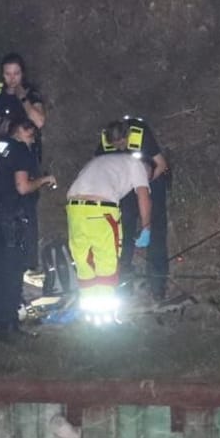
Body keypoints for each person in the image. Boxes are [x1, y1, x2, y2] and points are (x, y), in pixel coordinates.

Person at [0, 119, 56, 343]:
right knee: (12, 270)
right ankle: (10, 326)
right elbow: (22, 187)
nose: (33, 139)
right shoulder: (20, 149)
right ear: (21, 130)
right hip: (9, 214)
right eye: (32, 134)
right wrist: (43, 180)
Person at [69, 119, 153, 321]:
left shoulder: (99, 161)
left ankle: (89, 314)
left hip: (74, 209)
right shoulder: (136, 164)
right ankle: (106, 317)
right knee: (106, 263)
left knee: (85, 262)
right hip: (101, 210)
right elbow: (143, 197)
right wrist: (146, 227)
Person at [96, 115, 171, 301]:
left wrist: (142, 184)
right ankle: (123, 285)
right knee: (123, 235)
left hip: (152, 181)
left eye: (122, 142)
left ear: (127, 134)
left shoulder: (141, 134)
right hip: (125, 189)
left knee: (156, 234)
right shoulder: (105, 143)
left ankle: (157, 286)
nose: (120, 147)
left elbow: (162, 165)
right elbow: (100, 170)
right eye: (116, 144)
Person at [0, 54, 47, 271]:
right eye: (8, 74)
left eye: (16, 73)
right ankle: (6, 264)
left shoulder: (30, 92)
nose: (12, 79)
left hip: (24, 160)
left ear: (23, 73)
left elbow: (39, 121)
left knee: (26, 209)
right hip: (0, 162)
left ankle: (29, 267)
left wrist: (22, 98)